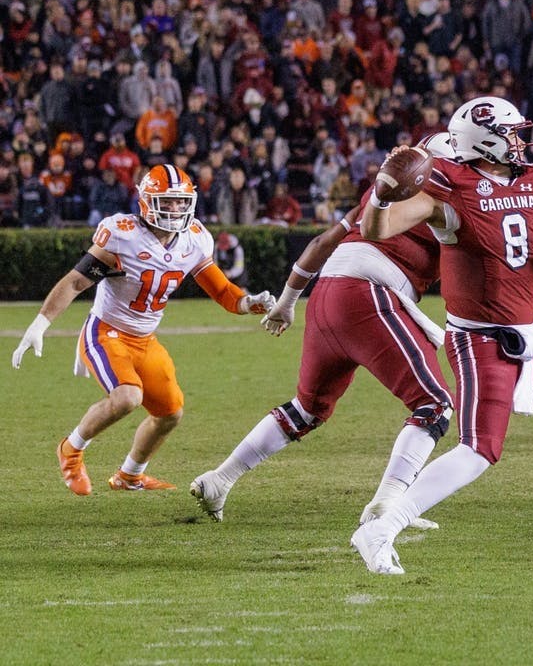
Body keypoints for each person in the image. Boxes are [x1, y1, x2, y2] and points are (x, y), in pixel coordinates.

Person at [351, 96, 533, 574]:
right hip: (480, 338)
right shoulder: (451, 188)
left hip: (527, 335)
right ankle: (381, 529)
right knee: (478, 450)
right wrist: (382, 195)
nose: (519, 141)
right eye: (510, 133)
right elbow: (377, 229)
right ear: (484, 139)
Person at [191, 135, 456, 528]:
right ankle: (387, 505)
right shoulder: (452, 195)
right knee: (434, 404)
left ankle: (220, 479)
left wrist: (287, 301)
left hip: (328, 292)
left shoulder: (378, 195)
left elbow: (322, 241)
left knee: (307, 409)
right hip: (370, 293)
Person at [11, 165, 275, 495]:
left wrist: (249, 303)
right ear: (147, 201)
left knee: (170, 413)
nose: (176, 209)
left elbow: (222, 291)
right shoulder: (122, 236)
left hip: (144, 339)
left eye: (181, 202)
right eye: (168, 201)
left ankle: (129, 476)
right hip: (106, 331)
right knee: (127, 397)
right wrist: (40, 324)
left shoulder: (193, 240)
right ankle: (71, 449)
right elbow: (76, 281)